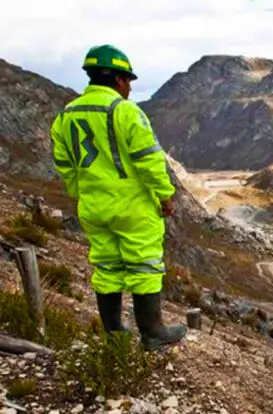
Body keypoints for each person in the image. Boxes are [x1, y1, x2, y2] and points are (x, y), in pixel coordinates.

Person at [49, 45, 186, 350]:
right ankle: (152, 333)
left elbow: (64, 165)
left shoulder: (66, 116)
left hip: (94, 207)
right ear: (118, 80)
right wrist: (164, 195)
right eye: (128, 80)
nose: (130, 87)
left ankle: (114, 333)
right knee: (145, 264)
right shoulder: (124, 111)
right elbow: (149, 161)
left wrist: (82, 194)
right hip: (133, 206)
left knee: (107, 265)